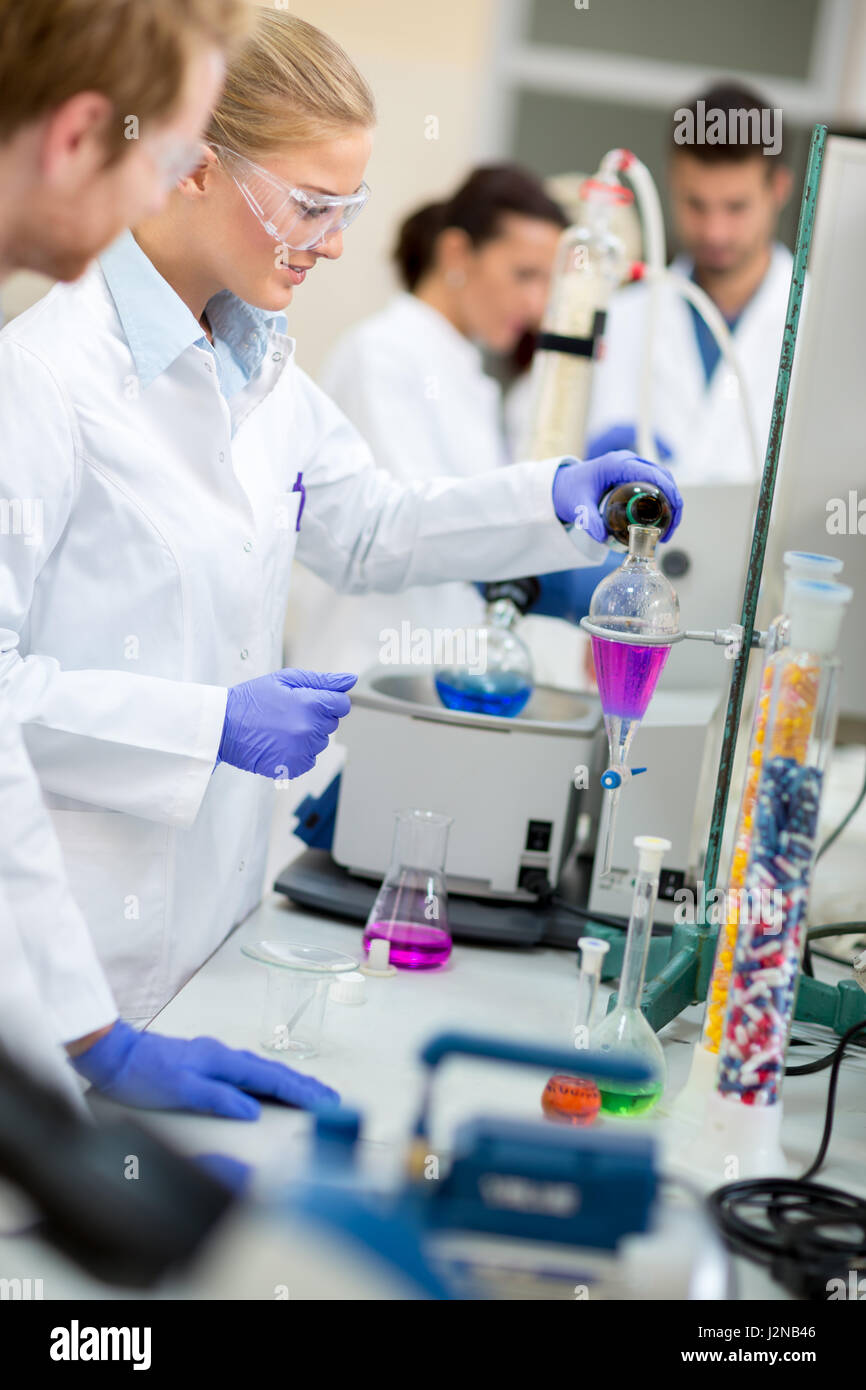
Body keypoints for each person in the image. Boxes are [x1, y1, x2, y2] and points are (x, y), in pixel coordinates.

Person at [0, 10, 681, 1027]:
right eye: (311, 205)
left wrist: (548, 498)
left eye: (348, 205)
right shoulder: (43, 377)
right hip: (74, 952)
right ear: (191, 163)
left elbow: (370, 529)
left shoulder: (257, 360)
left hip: (213, 923)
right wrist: (208, 725)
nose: (335, 241)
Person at [0, 0, 335, 1119]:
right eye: (172, 154)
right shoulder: (40, 371)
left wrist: (89, 1034)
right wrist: (90, 1034)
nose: (169, 197)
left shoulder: (220, 355)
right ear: (81, 133)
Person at [287, 166, 568, 673]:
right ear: (457, 253)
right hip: (367, 665)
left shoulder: (467, 371)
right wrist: (541, 523)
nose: (537, 304)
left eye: (548, 282)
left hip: (431, 670)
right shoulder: (385, 353)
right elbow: (402, 528)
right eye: (524, 274)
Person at [585, 80, 794, 484]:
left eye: (736, 207)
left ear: (778, 189)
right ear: (671, 183)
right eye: (695, 204)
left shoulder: (824, 331)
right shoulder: (624, 316)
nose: (715, 232)